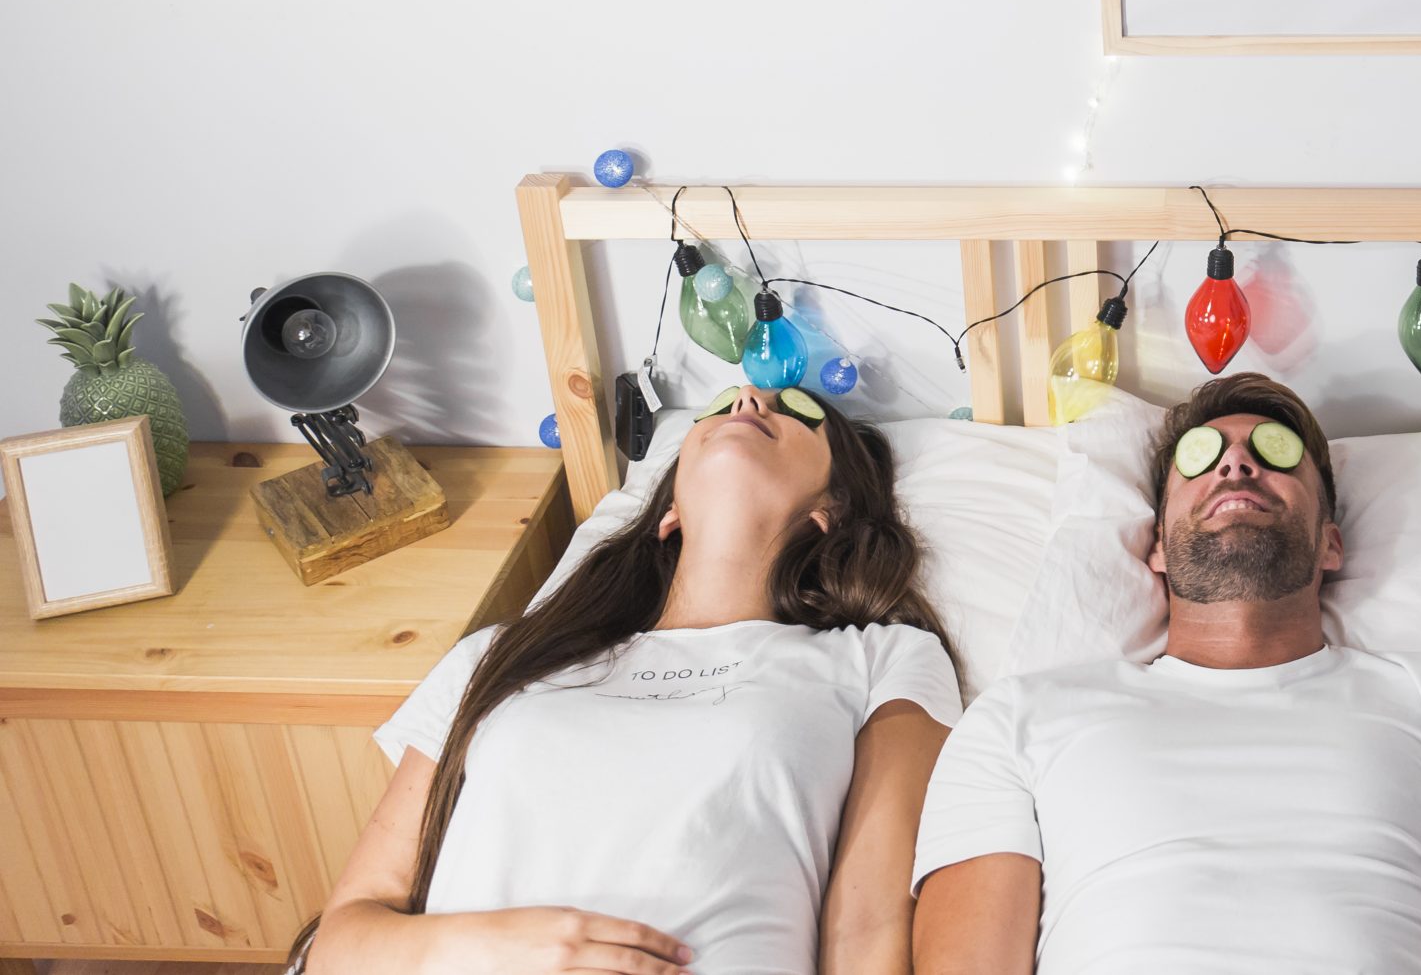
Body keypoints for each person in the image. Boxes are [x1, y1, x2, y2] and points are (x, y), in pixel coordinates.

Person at [910, 372, 1421, 975]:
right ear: (1158, 546)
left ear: (1331, 542)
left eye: (1275, 451)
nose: (1236, 461)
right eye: (1202, 456)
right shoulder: (1018, 717)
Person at [300, 384, 959, 975]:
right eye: (717, 404)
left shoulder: (881, 659)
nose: (747, 399)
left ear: (832, 509)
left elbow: (868, 927)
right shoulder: (500, 658)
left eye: (797, 411)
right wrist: (509, 946)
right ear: (669, 510)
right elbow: (341, 942)